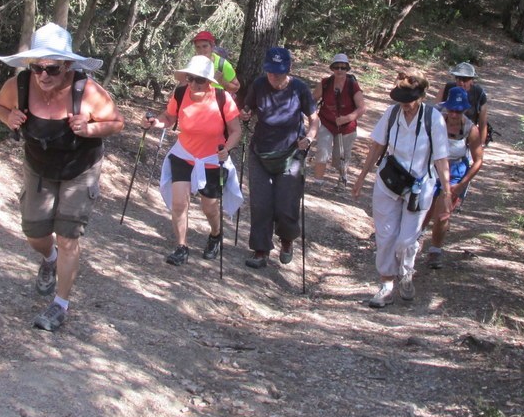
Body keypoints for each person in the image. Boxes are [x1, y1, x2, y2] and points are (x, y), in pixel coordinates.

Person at [0, 22, 125, 332]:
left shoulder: (88, 91)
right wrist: (7, 117)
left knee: (68, 238)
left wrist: (91, 128)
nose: (43, 75)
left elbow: (117, 122)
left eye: (51, 68)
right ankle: (48, 258)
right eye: (37, 66)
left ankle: (60, 304)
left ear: (67, 66)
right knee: (34, 233)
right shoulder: (20, 86)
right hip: (38, 169)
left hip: (80, 170)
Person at [352, 71, 449, 307]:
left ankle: (406, 273)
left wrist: (446, 193)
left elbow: (441, 158)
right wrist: (362, 177)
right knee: (385, 237)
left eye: (409, 101)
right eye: (401, 101)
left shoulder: (433, 118)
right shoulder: (392, 113)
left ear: (421, 97)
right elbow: (377, 145)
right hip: (388, 182)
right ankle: (386, 285)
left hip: (419, 186)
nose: (405, 106)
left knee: (406, 240)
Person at [146, 56, 243, 266]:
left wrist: (227, 149)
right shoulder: (180, 94)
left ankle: (215, 235)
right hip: (184, 154)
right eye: (190, 78)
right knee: (179, 203)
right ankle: (181, 247)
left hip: (212, 158)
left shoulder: (222, 98)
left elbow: (236, 131)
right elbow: (169, 118)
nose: (194, 84)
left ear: (209, 81)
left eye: (200, 80)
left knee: (209, 207)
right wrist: (155, 122)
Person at [241, 47, 319, 268]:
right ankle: (260, 250)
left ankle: (286, 240)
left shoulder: (299, 89)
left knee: (286, 205)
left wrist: (310, 138)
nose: (274, 77)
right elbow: (248, 109)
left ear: (289, 69)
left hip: (291, 153)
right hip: (260, 152)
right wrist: (245, 114)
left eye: (279, 72)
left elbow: (314, 119)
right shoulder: (258, 85)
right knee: (260, 204)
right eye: (270, 72)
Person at [424, 86, 484, 269]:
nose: (454, 115)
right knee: (424, 209)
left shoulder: (470, 129)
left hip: (456, 171)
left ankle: (435, 250)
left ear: (464, 110)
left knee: (442, 214)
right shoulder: (436, 121)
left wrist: (462, 184)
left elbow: (478, 161)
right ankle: (412, 241)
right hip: (433, 168)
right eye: (451, 110)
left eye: (458, 111)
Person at [312, 53, 367, 189]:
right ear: (332, 68)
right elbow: (312, 100)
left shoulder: (352, 85)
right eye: (337, 67)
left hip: (346, 127)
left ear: (347, 69)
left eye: (343, 67)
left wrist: (346, 119)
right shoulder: (325, 83)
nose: (340, 70)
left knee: (340, 157)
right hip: (326, 122)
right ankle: (318, 182)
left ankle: (342, 181)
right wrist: (311, 117)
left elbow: (362, 108)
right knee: (322, 150)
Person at [437, 62, 489, 144]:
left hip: (467, 138)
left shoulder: (479, 94)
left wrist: (481, 145)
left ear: (472, 80)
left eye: (465, 79)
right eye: (458, 78)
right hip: (443, 136)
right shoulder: (447, 88)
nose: (461, 82)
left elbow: (483, 122)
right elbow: (436, 113)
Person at [174, 30, 241, 94]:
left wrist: (222, 81)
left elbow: (236, 87)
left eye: (205, 46)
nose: (201, 50)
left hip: (216, 102)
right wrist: (175, 94)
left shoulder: (222, 64)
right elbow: (185, 81)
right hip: (195, 99)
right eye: (198, 47)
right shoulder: (194, 62)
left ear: (212, 47)